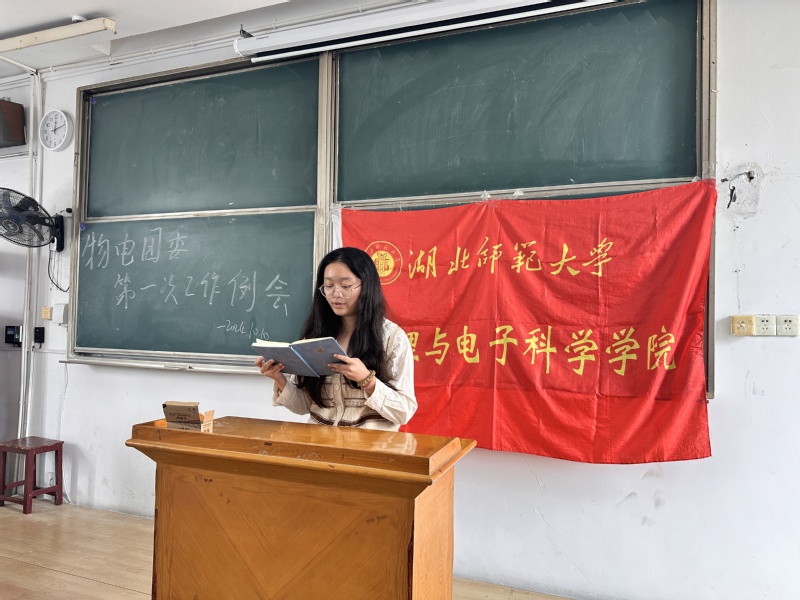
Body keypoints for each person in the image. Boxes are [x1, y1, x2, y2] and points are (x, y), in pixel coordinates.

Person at [256, 247, 416, 431]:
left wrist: (368, 381)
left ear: (366, 286)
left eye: (345, 286)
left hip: (371, 445)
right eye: (329, 286)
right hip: (320, 442)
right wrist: (279, 379)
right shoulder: (315, 336)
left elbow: (404, 412)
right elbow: (304, 406)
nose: (336, 294)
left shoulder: (392, 338)